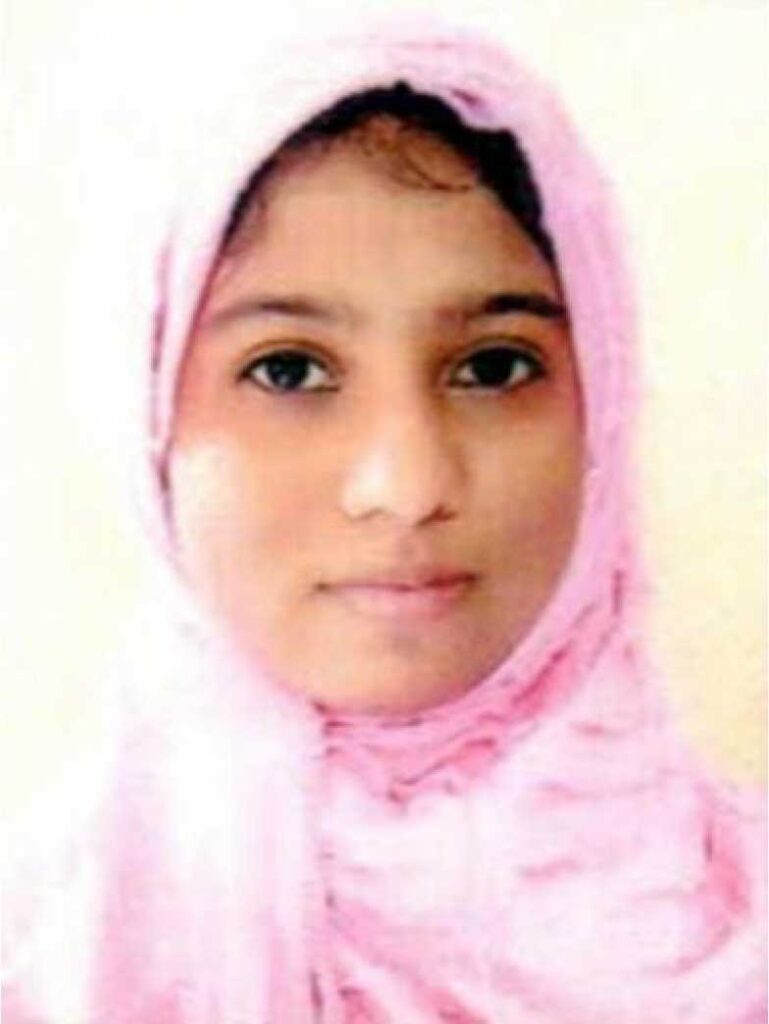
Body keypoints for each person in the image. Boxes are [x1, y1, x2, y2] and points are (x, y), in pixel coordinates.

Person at [3, 20, 765, 1024]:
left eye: (492, 366)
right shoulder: (48, 965)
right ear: (146, 419)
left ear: (602, 401)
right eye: (288, 370)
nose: (406, 484)